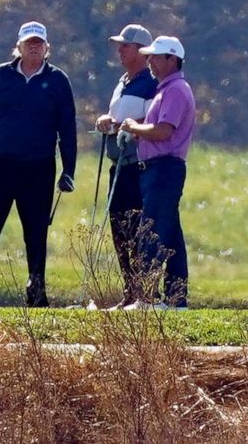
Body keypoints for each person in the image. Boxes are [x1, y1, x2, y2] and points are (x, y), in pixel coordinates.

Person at [0, 21, 77, 308]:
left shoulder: (58, 81)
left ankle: (36, 296)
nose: (34, 47)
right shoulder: (1, 75)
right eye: (29, 42)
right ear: (18, 46)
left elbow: (67, 127)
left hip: (39, 168)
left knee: (36, 232)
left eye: (39, 43)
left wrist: (68, 169)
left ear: (47, 48)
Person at [120, 35, 195, 310]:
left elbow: (164, 130)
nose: (149, 61)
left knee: (152, 231)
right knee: (171, 234)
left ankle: (148, 298)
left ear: (171, 59)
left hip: (164, 167)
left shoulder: (175, 89)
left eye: (155, 56)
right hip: (159, 169)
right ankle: (176, 299)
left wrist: (132, 128)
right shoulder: (166, 89)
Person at [94, 24, 158, 308]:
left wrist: (122, 126)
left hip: (137, 166)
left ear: (142, 52)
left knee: (136, 228)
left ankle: (143, 293)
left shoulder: (151, 84)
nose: (120, 50)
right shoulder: (123, 82)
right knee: (119, 228)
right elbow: (117, 116)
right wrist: (103, 121)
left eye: (126, 46)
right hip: (117, 165)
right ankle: (130, 292)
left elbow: (152, 122)